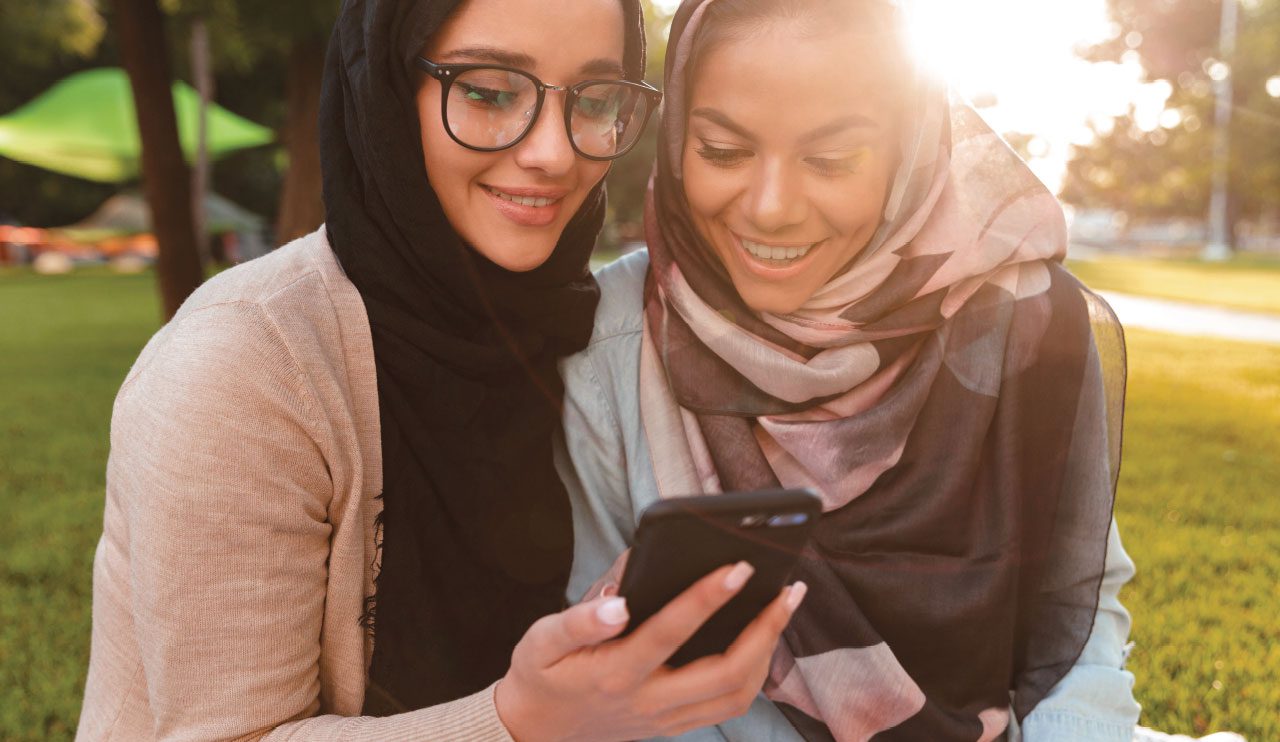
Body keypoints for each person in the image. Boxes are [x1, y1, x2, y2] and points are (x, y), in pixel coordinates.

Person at [76, 0, 806, 739]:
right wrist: (522, 722)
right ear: (390, 87)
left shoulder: (571, 330)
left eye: (595, 99)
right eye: (490, 92)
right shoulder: (248, 367)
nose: (555, 153)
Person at [558, 0, 1142, 739]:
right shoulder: (615, 338)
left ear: (909, 152)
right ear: (676, 142)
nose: (770, 208)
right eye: (722, 151)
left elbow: (1079, 623)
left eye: (831, 161)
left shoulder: (1023, 322)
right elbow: (609, 675)